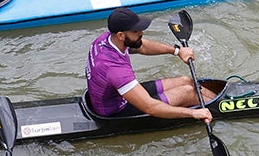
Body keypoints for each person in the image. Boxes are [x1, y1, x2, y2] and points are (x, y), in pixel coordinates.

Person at [84, 7, 213, 121]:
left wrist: (177, 51)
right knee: (188, 93)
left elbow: (142, 46)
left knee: (186, 81)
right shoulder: (115, 69)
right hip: (116, 110)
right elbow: (151, 107)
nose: (141, 33)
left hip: (117, 94)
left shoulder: (106, 39)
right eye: (136, 31)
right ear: (121, 35)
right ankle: (220, 108)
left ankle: (217, 99)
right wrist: (193, 113)